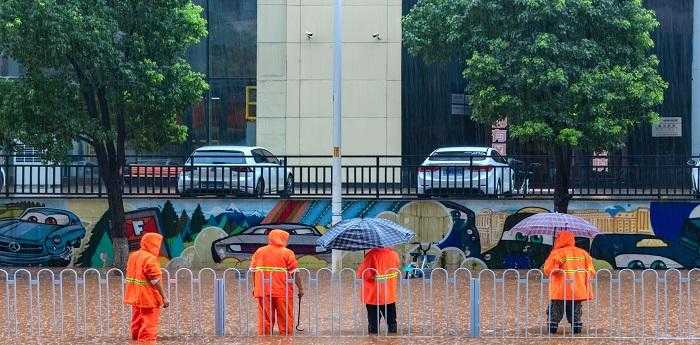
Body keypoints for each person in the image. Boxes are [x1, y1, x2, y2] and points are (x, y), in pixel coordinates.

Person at [250, 229, 304, 336]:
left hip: (263, 291)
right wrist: (301, 288)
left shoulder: (259, 251)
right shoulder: (287, 253)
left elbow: (253, 271)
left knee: (265, 319)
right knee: (285, 318)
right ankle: (286, 340)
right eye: (286, 239)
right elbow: (295, 273)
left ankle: (265, 340)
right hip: (282, 292)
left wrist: (255, 287)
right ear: (281, 239)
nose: (287, 242)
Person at [543, 231, 595, 334]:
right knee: (575, 310)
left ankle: (552, 329)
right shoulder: (583, 253)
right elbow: (591, 271)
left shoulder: (556, 253)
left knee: (555, 310)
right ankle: (576, 328)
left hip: (560, 289)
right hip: (577, 289)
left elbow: (548, 270)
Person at [124, 233, 170, 342]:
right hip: (148, 297)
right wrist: (164, 297)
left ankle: (136, 338)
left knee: (137, 319)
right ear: (154, 244)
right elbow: (155, 280)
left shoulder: (133, 255)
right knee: (149, 322)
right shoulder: (150, 259)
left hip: (135, 295)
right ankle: (146, 341)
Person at [357, 247, 401, 335]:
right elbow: (396, 267)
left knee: (373, 323)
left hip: (373, 295)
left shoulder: (371, 255)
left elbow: (362, 273)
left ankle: (373, 340)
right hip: (389, 293)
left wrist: (362, 263)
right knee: (392, 321)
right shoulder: (394, 254)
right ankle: (393, 338)